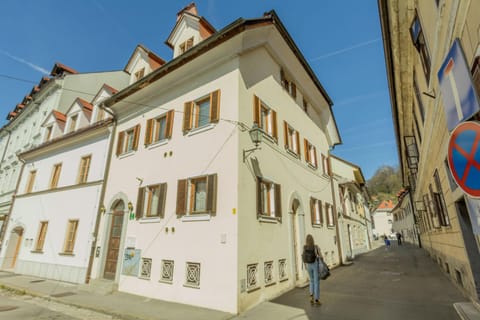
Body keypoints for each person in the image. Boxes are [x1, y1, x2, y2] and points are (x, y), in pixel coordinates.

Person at [302, 234, 322, 306]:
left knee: (311, 280)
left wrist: (305, 266)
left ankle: (311, 296)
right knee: (316, 282)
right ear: (312, 240)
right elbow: (320, 256)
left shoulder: (304, 247)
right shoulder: (315, 247)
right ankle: (316, 299)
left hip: (308, 265)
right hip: (314, 264)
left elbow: (303, 256)